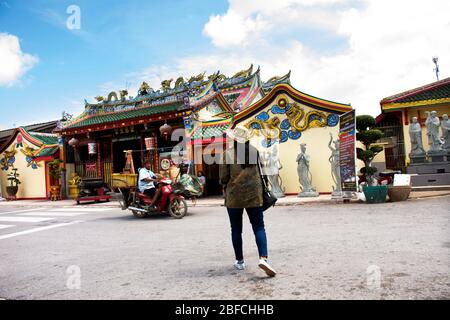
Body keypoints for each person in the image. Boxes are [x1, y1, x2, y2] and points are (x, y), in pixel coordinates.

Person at [219, 126, 276, 277]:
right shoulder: (254, 152)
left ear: (235, 139)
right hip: (254, 195)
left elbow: (223, 178)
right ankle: (263, 258)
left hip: (234, 197)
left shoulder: (227, 154)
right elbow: (263, 172)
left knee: (236, 229)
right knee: (259, 227)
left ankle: (240, 261)